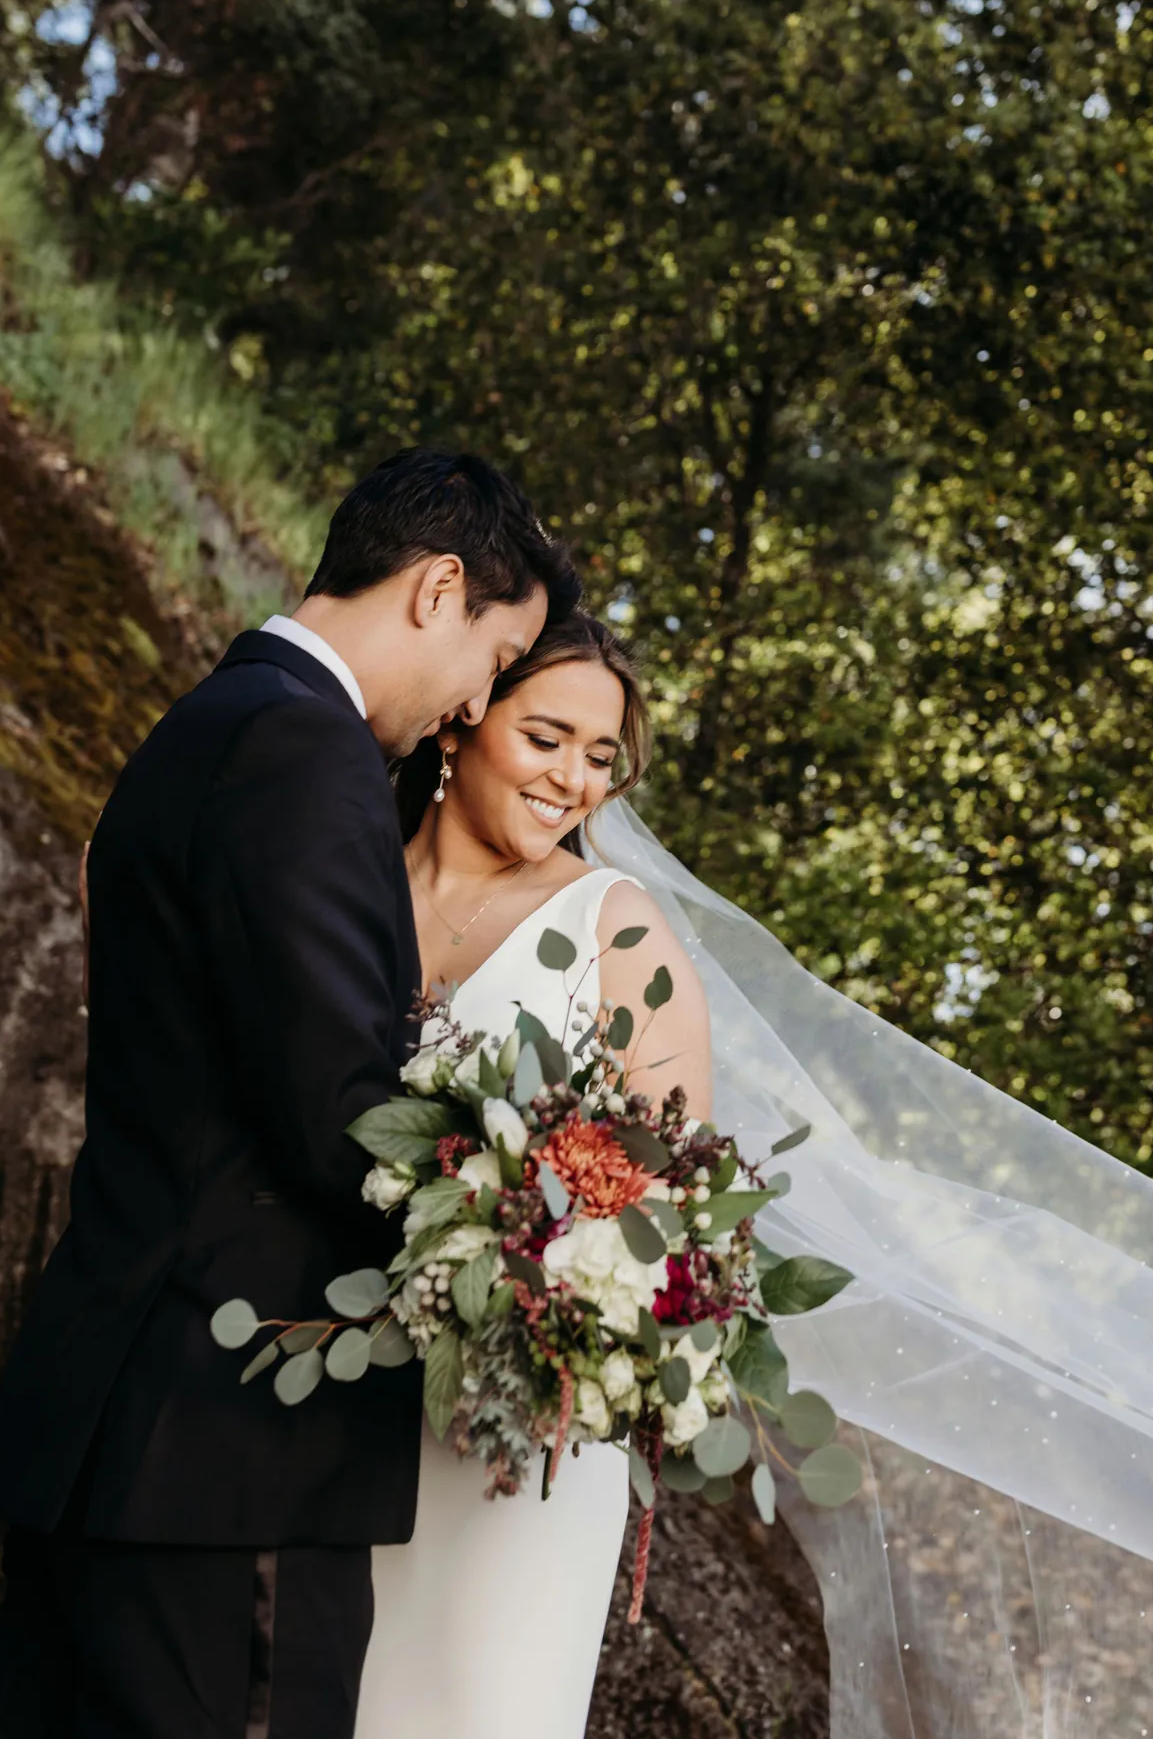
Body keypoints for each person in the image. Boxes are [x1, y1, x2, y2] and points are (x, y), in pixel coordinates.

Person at [0, 447, 579, 1739]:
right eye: (493, 658)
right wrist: (540, 1246)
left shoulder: (212, 721)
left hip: (116, 1424)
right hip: (228, 1457)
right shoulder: (305, 752)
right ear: (437, 589)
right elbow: (338, 1107)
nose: (473, 708)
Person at [354, 612, 708, 1739]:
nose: (574, 780)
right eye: (548, 737)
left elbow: (668, 1212)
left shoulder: (616, 931)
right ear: (464, 721)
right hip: (336, 1403)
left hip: (516, 1439)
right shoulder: (345, 887)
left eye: (599, 757)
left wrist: (535, 1294)